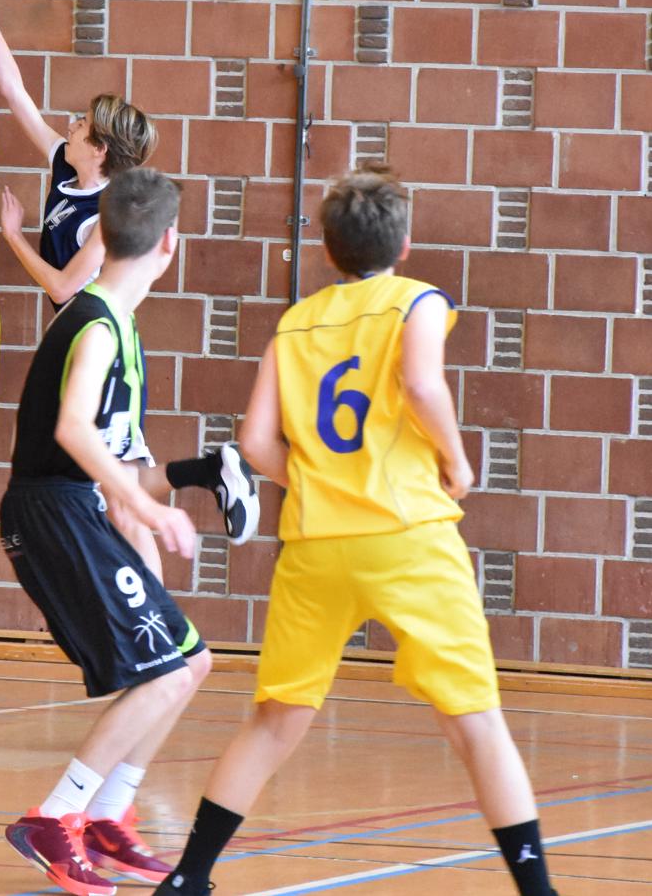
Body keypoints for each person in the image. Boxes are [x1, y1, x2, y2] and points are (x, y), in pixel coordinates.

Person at [161, 165, 560, 896]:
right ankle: (538, 891)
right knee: (476, 721)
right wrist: (457, 460)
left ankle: (188, 876)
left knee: (273, 721)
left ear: (326, 249)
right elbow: (421, 384)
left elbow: (253, 442)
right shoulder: (417, 301)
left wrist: (313, 479)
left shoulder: (294, 323)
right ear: (404, 244)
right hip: (408, 533)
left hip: (316, 543)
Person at [0, 0, 259, 548]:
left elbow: (64, 285)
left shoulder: (109, 211)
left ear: (98, 149)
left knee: (118, 496)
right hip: (83, 342)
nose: (68, 124)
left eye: (80, 124)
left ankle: (209, 475)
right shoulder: (63, 165)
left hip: (101, 343)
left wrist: (12, 237)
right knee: (120, 496)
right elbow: (13, 90)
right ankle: (209, 473)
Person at [0, 168, 212, 896]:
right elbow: (73, 430)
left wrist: (182, 483)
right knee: (163, 673)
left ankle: (105, 815)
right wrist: (150, 512)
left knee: (190, 662)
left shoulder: (120, 323)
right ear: (170, 242)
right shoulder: (92, 323)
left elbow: (118, 459)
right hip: (51, 511)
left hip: (75, 508)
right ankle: (53, 817)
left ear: (103, 234)